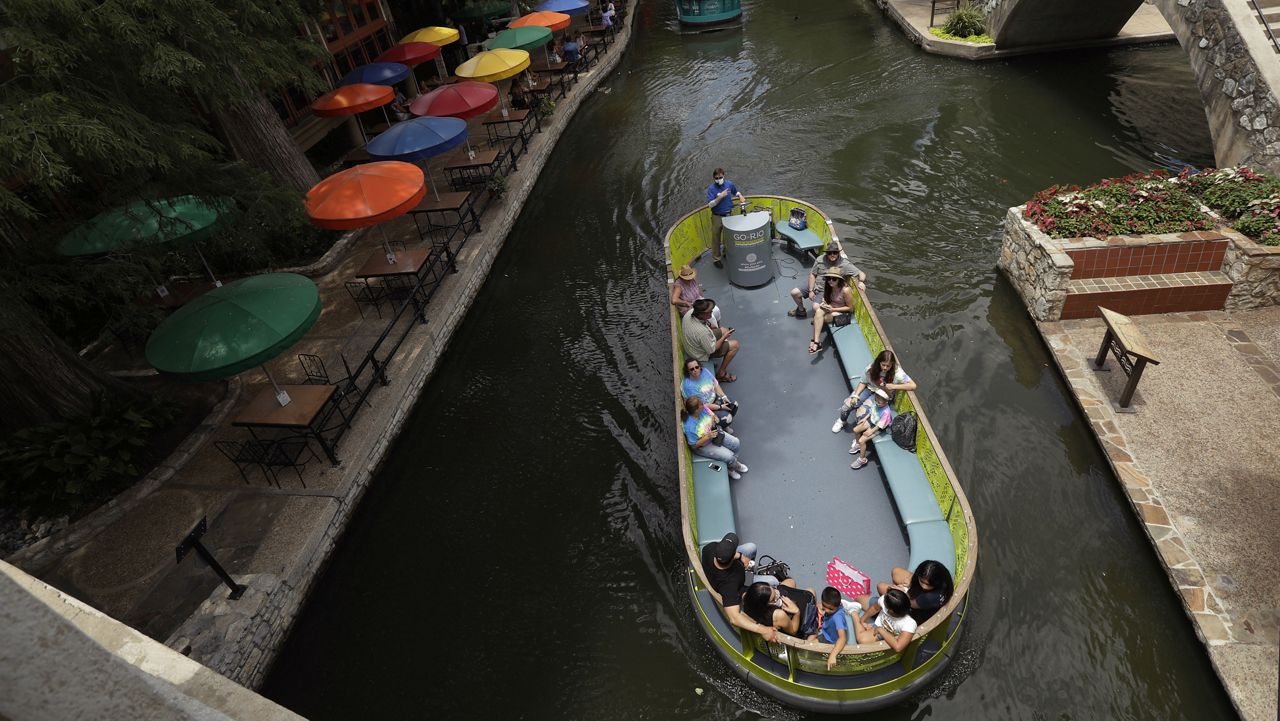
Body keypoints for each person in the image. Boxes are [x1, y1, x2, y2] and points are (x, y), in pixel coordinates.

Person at [700, 533, 782, 641]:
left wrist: (740, 556)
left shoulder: (709, 548)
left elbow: (727, 556)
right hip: (742, 585)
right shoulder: (729, 587)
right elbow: (734, 618)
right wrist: (763, 630)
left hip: (737, 569)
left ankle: (751, 569)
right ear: (731, 560)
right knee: (774, 581)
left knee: (751, 547)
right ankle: (756, 576)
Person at [833, 350, 916, 432]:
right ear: (879, 362)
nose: (885, 368)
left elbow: (913, 385)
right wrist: (855, 396)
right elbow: (863, 382)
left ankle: (860, 434)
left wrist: (894, 386)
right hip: (869, 389)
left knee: (861, 414)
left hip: (882, 395)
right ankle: (842, 421)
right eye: (883, 365)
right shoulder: (871, 368)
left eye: (888, 366)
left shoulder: (897, 373)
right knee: (847, 405)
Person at [788, 245, 865, 318]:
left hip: (825, 290)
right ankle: (801, 310)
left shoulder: (845, 264)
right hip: (815, 284)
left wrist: (861, 281)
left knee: (816, 307)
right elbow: (813, 274)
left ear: (838, 253)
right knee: (794, 293)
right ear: (826, 253)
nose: (832, 255)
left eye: (835, 252)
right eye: (829, 253)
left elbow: (861, 273)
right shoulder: (820, 259)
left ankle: (818, 318)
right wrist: (811, 290)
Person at [682, 396, 748, 479]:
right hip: (703, 446)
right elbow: (693, 446)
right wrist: (707, 437)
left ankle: (731, 465)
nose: (704, 405)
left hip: (714, 434)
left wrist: (715, 418)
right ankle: (734, 466)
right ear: (696, 410)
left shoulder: (703, 409)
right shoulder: (690, 427)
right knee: (729, 456)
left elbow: (712, 415)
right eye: (701, 405)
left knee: (736, 442)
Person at [875, 560, 954, 625]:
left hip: (919, 612)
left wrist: (902, 591)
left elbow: (910, 603)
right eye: (922, 581)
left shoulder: (928, 598)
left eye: (928, 584)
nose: (924, 586)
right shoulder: (944, 579)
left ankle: (893, 606)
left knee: (881, 587)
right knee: (896, 571)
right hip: (922, 599)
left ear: (936, 582)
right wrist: (910, 583)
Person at [681, 298, 739, 383]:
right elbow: (712, 350)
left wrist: (709, 325)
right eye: (709, 312)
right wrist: (724, 338)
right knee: (735, 345)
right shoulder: (702, 332)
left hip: (694, 343)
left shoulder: (690, 313)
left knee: (724, 330)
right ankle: (721, 374)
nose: (712, 313)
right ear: (701, 314)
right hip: (700, 354)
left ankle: (725, 344)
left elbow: (703, 326)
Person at [742, 582, 820, 640]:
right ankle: (816, 623)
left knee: (795, 584)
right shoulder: (778, 615)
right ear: (765, 605)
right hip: (799, 625)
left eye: (774, 589)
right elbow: (793, 631)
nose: (777, 594)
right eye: (773, 599)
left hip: (784, 617)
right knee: (811, 591)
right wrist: (796, 612)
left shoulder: (747, 597)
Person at [851, 588, 916, 652]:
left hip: (890, 634)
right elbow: (874, 608)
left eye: (886, 607)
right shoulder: (885, 599)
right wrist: (863, 620)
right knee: (859, 598)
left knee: (861, 639)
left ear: (891, 610)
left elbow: (898, 647)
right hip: (880, 623)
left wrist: (881, 630)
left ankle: (854, 612)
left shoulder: (909, 623)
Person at [705, 168, 745, 269]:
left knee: (728, 237)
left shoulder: (729, 184)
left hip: (729, 215)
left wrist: (740, 196)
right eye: (716, 178)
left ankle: (726, 253)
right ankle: (716, 259)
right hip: (717, 216)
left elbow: (736, 192)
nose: (719, 179)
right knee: (716, 238)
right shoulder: (711, 189)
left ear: (724, 175)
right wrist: (720, 197)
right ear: (714, 178)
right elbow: (710, 205)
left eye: (720, 177)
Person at [681, 358, 737, 429]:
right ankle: (721, 426)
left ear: (699, 366)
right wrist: (720, 407)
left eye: (697, 367)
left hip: (713, 399)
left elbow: (715, 384)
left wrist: (724, 397)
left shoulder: (704, 371)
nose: (695, 370)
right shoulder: (689, 386)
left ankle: (724, 424)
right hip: (703, 409)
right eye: (692, 369)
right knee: (727, 418)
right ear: (688, 371)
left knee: (734, 405)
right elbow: (701, 406)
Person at [808, 271, 853, 354]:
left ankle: (815, 342)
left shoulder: (845, 290)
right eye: (829, 278)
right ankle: (816, 342)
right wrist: (824, 303)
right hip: (831, 308)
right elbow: (826, 299)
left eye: (834, 279)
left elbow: (850, 308)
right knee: (818, 311)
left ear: (839, 280)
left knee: (817, 319)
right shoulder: (829, 287)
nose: (831, 281)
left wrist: (833, 310)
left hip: (841, 312)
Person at [849, 388, 893, 468]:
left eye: (879, 402)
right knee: (855, 430)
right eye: (876, 400)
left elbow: (880, 425)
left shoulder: (886, 412)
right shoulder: (876, 403)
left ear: (886, 402)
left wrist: (871, 431)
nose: (877, 403)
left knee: (862, 440)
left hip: (879, 427)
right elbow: (871, 411)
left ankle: (862, 460)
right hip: (873, 420)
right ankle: (858, 445)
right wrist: (864, 419)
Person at [817, 587, 852, 670]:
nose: (827, 611)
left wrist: (833, 655)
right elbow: (827, 608)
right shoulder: (835, 607)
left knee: (811, 646)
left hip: (831, 641)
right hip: (827, 633)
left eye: (831, 609)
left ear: (838, 605)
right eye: (824, 606)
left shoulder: (837, 618)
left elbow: (842, 638)